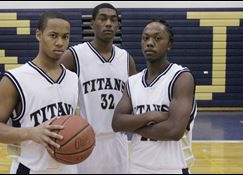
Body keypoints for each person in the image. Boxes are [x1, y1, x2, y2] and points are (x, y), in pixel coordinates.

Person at [0, 11, 79, 174]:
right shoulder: (15, 79)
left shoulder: (73, 79)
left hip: (68, 169)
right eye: (53, 35)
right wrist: (31, 132)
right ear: (38, 35)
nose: (60, 42)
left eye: (65, 37)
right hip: (30, 168)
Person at [59, 3, 137, 174]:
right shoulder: (74, 56)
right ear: (92, 24)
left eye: (113, 19)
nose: (108, 23)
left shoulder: (126, 59)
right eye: (103, 18)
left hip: (118, 141)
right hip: (84, 140)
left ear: (117, 25)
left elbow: (135, 101)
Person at [112, 19, 197, 174]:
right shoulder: (133, 82)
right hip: (137, 166)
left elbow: (174, 131)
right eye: (145, 38)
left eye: (157, 38)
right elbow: (117, 123)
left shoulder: (181, 78)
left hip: (173, 168)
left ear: (169, 44)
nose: (150, 43)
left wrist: (133, 125)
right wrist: (150, 116)